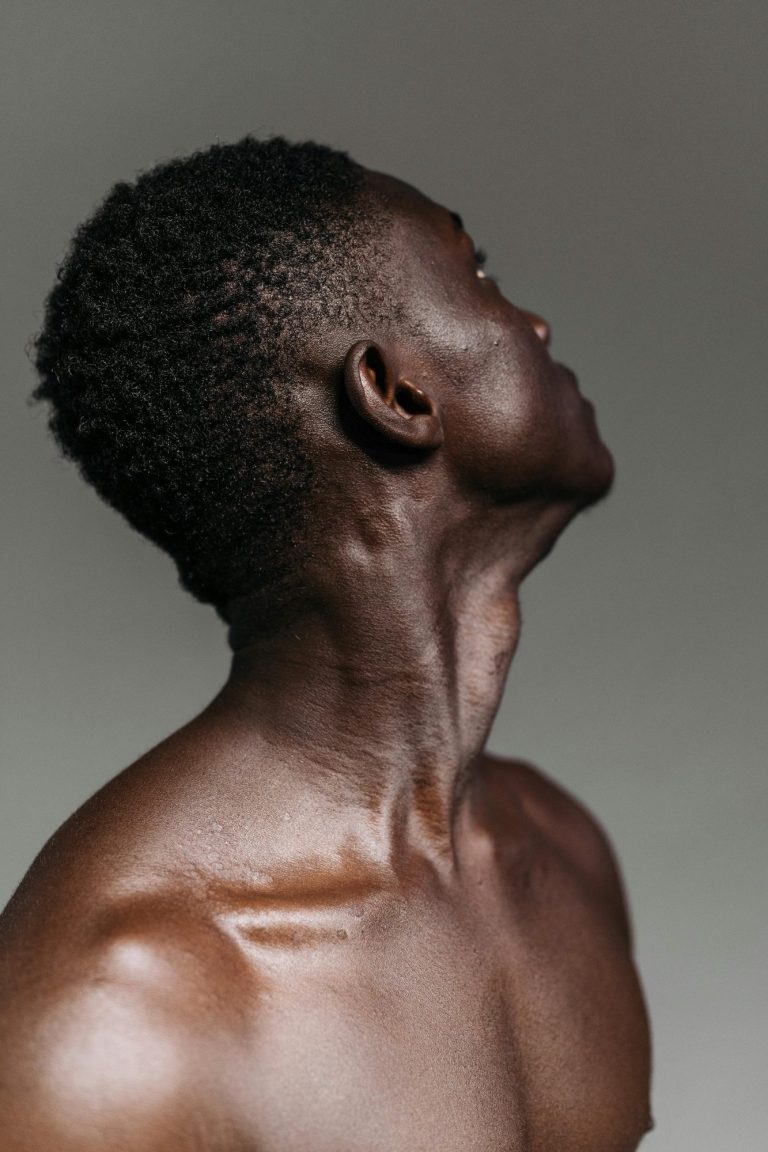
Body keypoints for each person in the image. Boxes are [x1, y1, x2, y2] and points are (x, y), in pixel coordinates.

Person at [0, 136, 652, 1150]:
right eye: (476, 272)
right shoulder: (115, 1020)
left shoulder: (561, 854)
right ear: (396, 395)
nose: (533, 321)